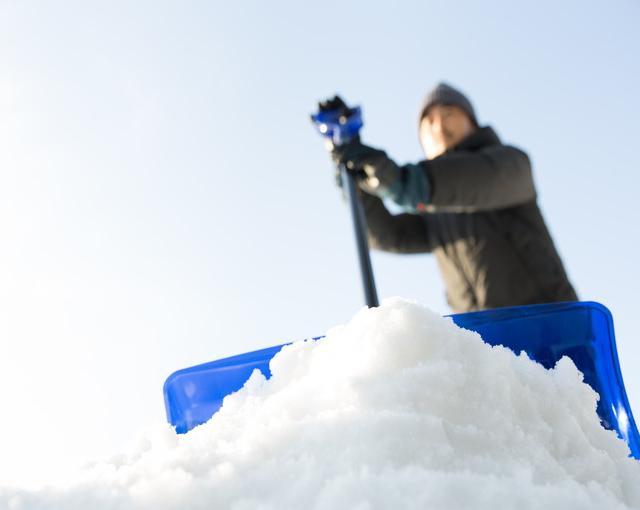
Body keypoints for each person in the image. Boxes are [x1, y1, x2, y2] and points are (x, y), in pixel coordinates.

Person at [324, 83, 577, 312]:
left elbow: (463, 181)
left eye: (448, 115)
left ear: (472, 122)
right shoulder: (435, 214)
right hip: (487, 349)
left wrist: (397, 179)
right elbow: (385, 235)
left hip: (552, 331)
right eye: (428, 122)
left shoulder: (510, 166)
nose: (439, 127)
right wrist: (356, 176)